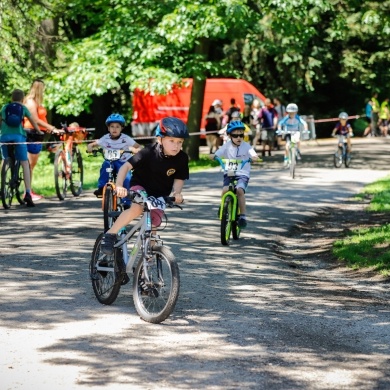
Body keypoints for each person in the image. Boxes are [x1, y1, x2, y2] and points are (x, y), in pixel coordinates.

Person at [100, 116, 189, 256]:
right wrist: (119, 186)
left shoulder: (182, 158)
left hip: (159, 193)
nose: (176, 145)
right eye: (171, 141)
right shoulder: (149, 152)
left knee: (155, 223)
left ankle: (147, 261)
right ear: (160, 139)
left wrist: (177, 193)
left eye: (180, 142)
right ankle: (110, 235)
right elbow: (125, 167)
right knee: (137, 207)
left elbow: (179, 178)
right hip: (140, 186)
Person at [211, 120, 259, 229]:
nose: (239, 137)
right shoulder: (226, 146)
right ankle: (223, 206)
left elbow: (253, 153)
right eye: (235, 135)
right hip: (230, 171)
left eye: (241, 135)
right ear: (229, 135)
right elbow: (218, 153)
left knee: (239, 190)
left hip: (243, 173)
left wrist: (254, 157)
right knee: (225, 190)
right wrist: (214, 156)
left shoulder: (246, 146)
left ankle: (242, 216)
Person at [0, 89, 42, 207]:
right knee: (24, 163)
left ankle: (2, 187)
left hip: (4, 138)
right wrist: (38, 131)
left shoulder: (4, 107)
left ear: (12, 98)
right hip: (19, 137)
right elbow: (33, 121)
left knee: (5, 160)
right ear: (22, 99)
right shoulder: (23, 108)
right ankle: (28, 193)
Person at [87, 114, 141, 204]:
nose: (114, 129)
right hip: (110, 161)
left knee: (127, 178)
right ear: (108, 128)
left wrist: (136, 150)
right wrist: (90, 146)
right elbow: (95, 143)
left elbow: (138, 146)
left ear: (121, 128)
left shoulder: (126, 138)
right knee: (105, 165)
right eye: (112, 127)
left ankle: (127, 202)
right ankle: (101, 188)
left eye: (117, 127)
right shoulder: (106, 138)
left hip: (123, 163)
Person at [23, 79, 60, 200]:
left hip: (38, 133)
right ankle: (27, 192)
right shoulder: (30, 102)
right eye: (43, 88)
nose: (44, 91)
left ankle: (29, 190)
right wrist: (52, 128)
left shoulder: (37, 102)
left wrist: (46, 128)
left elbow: (41, 119)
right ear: (38, 88)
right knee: (29, 164)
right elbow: (35, 120)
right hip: (31, 133)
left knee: (32, 164)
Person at [278, 103, 308, 167]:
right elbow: (280, 123)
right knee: (287, 146)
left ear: (296, 112)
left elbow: (304, 123)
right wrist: (279, 129)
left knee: (298, 141)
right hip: (288, 132)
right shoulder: (286, 118)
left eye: (293, 113)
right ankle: (286, 158)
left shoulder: (298, 117)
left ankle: (298, 151)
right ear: (288, 112)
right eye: (290, 113)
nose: (291, 114)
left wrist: (305, 129)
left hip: (295, 132)